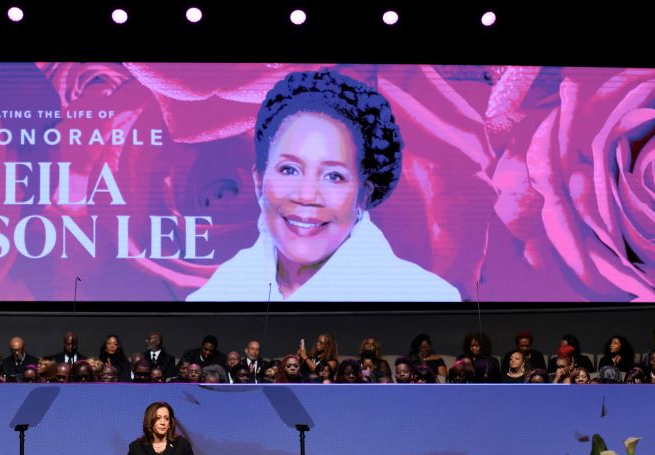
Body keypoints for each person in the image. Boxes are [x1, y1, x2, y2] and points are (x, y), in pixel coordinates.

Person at [188, 70, 459, 302]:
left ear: (365, 193)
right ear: (259, 179)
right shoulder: (215, 295)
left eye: (333, 176)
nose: (307, 195)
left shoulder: (423, 295)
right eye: (289, 170)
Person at [124, 402, 196, 455]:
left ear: (170, 424)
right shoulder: (136, 448)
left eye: (166, 418)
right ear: (150, 421)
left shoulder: (182, 445)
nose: (163, 422)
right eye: (158, 418)